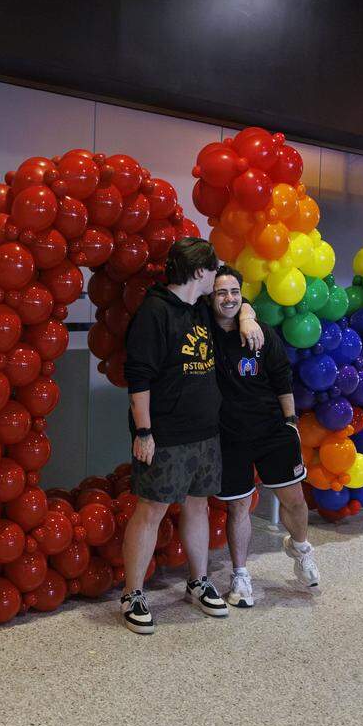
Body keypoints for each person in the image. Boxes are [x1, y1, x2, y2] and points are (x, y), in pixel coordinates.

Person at [120, 238, 263, 634]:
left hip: (205, 432)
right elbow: (139, 379)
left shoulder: (200, 307)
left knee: (198, 506)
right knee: (151, 510)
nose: (218, 277)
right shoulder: (154, 312)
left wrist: (248, 314)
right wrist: (144, 431)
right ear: (199, 273)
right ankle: (132, 594)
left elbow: (235, 301)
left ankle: (198, 581)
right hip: (165, 434)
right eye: (214, 270)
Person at [209, 265, 320, 608]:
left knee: (295, 501)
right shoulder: (205, 335)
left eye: (234, 293)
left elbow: (281, 379)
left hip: (273, 428)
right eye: (220, 293)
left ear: (243, 296)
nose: (228, 299)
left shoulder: (262, 334)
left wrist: (291, 423)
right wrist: (244, 314)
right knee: (239, 507)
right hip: (230, 435)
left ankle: (301, 549)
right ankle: (240, 575)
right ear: (210, 298)